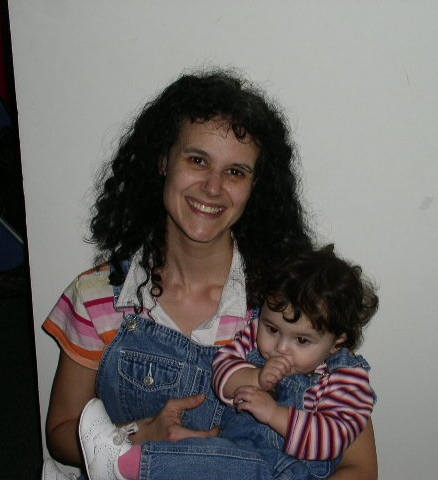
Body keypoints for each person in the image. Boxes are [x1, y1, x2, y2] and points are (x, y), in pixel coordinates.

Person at [41, 69, 379, 479]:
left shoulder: (292, 299)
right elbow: (61, 432)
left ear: (255, 186)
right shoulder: (98, 295)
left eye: (235, 172)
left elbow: (359, 467)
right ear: (163, 160)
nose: (213, 187)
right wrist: (138, 435)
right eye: (197, 160)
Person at [75, 245, 378, 479]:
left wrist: (275, 414)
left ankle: (122, 466)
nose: (280, 348)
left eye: (301, 340)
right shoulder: (254, 336)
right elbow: (222, 372)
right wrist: (256, 378)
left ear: (337, 341)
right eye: (273, 329)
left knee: (239, 465)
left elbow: (334, 438)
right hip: (234, 449)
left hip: (285, 470)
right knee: (203, 454)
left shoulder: (344, 376)